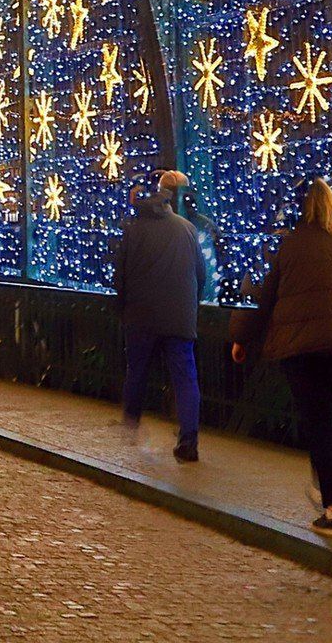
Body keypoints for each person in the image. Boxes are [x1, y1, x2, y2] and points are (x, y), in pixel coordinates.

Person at [233, 176, 332, 536]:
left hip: (303, 348)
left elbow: (267, 299)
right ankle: (327, 479)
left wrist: (243, 338)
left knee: (319, 422)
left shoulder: (290, 247)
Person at [116, 169, 206, 461]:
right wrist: (192, 304)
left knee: (137, 370)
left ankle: (130, 424)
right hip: (180, 315)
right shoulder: (187, 229)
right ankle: (189, 439)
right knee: (185, 377)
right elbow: (201, 274)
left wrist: (123, 308)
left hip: (141, 315)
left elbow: (121, 276)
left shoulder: (134, 229)